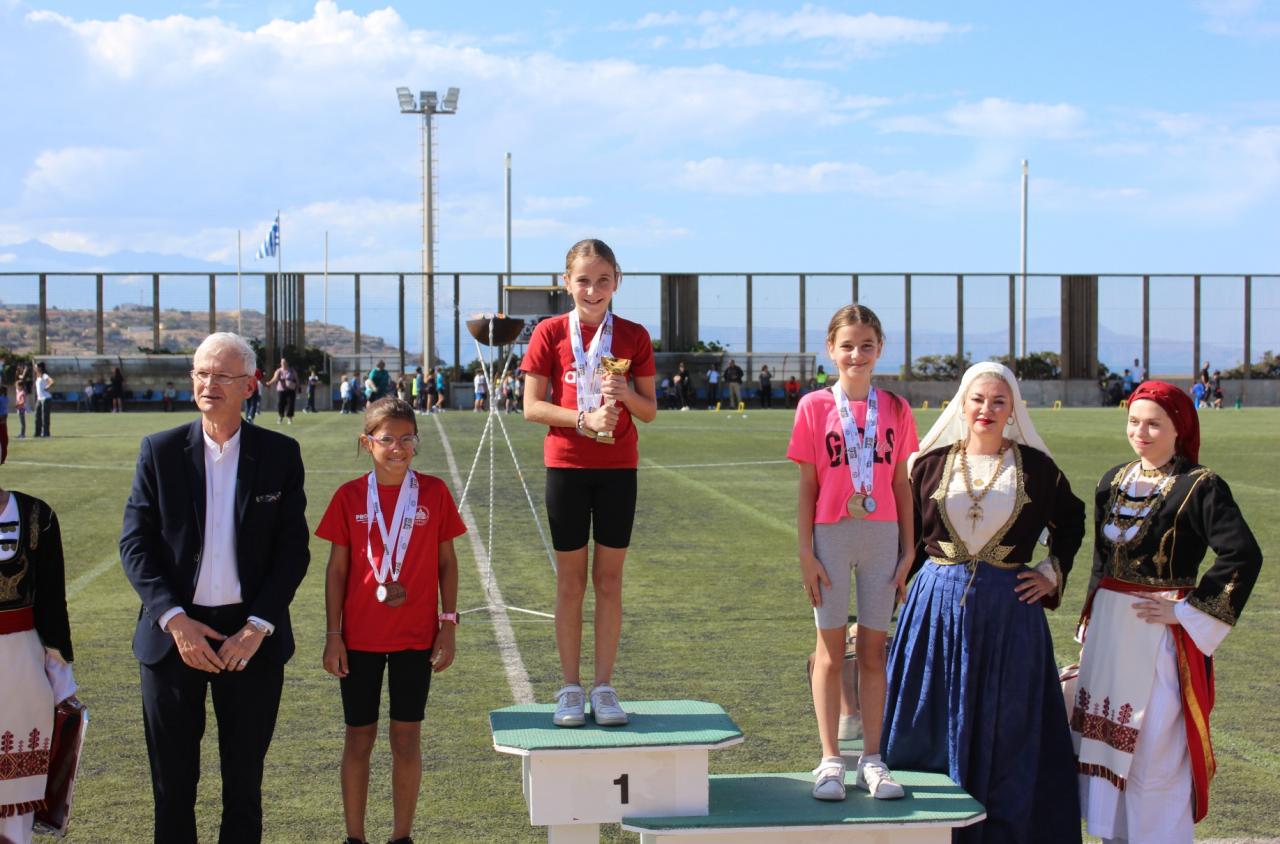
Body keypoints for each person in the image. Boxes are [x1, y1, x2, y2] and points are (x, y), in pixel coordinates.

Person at [119, 332, 310, 843]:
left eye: (222, 375)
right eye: (201, 373)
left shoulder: (280, 454)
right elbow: (134, 545)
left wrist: (257, 627)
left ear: (250, 385)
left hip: (250, 640)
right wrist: (174, 620)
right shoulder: (159, 451)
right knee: (172, 788)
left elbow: (293, 552)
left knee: (243, 788)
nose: (208, 384)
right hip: (173, 638)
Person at [883, 362, 1086, 843]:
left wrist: (1051, 571)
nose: (986, 410)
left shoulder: (1037, 468)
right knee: (927, 720)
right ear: (962, 403)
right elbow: (905, 538)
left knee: (1009, 730)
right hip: (934, 612)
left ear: (1012, 409)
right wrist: (886, 600)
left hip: (1009, 616)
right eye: (978, 399)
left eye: (998, 401)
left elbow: (1072, 519)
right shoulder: (928, 464)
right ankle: (928, 830)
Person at [1074, 381, 1262, 843]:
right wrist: (1090, 622)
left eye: (1154, 424)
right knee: (1106, 747)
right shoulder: (1112, 481)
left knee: (1153, 747)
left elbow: (1242, 554)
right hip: (1110, 636)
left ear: (1180, 428)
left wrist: (1190, 610)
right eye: (1134, 421)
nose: (1141, 432)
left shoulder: (1200, 485)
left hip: (1158, 639)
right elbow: (1101, 561)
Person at [522, 238, 657, 728]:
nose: (593, 290)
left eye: (603, 280)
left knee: (609, 581)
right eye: (583, 280)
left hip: (618, 470)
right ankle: (569, 687)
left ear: (616, 281)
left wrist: (625, 394)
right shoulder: (549, 332)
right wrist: (583, 420)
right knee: (571, 582)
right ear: (567, 283)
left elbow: (649, 410)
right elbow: (531, 407)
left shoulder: (634, 335)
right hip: (567, 469)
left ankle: (603, 686)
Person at [318, 398, 465, 844]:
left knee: (406, 739)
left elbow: (447, 564)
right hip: (359, 639)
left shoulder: (434, 493)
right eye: (387, 439)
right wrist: (333, 634)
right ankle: (355, 838)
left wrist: (448, 624)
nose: (398, 448)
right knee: (358, 739)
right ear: (367, 443)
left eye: (407, 439)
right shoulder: (349, 496)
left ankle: (402, 837)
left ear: (416, 442)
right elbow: (336, 571)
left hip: (416, 639)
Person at [789, 305, 918, 802]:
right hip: (831, 535)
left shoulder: (897, 408)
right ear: (831, 350)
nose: (856, 355)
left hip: (883, 536)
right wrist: (805, 552)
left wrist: (909, 550)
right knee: (829, 651)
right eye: (847, 346)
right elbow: (808, 485)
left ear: (880, 348)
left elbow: (902, 484)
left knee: (873, 651)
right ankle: (829, 759)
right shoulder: (813, 406)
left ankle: (872, 759)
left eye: (866, 345)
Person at [0, 482, 77, 844]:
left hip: (22, 671)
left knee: (16, 796)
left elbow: (51, 602)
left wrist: (63, 685)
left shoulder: (37, 515)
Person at [266, 357, 299, 424]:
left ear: (287, 363)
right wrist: (269, 383)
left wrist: (298, 387)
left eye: (284, 362)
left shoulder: (292, 370)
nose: (283, 363)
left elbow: (297, 379)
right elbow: (275, 378)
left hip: (291, 389)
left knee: (291, 403)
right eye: (282, 362)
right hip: (281, 389)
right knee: (281, 403)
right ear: (280, 363)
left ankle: (289, 418)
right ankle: (280, 416)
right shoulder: (279, 371)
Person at [33, 363, 53, 438]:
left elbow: (51, 381)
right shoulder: (38, 376)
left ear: (40, 368)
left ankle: (46, 433)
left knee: (45, 417)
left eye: (36, 367)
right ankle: (37, 433)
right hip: (39, 399)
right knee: (37, 416)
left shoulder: (44, 375)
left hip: (46, 399)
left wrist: (47, 387)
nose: (35, 368)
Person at [14, 364, 29, 439]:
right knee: (21, 422)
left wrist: (24, 371)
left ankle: (23, 434)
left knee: (22, 422)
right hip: (20, 408)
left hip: (21, 408)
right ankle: (22, 433)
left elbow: (23, 401)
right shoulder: (19, 390)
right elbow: (17, 377)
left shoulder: (22, 391)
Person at [0, 385, 8, 464]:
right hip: (4, 420)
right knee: (4, 441)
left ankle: (2, 458)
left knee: (3, 440)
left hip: (1, 419)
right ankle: (3, 458)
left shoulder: (1, 399)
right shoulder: (6, 398)